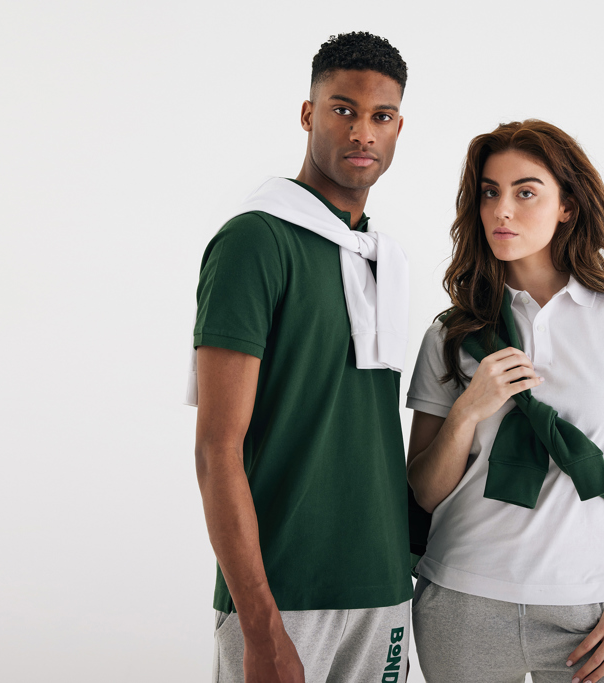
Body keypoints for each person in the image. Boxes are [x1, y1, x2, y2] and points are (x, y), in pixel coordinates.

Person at [406, 120, 604, 683]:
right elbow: (424, 489)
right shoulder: (452, 333)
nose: (502, 210)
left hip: (589, 612)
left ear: (567, 205)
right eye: (490, 192)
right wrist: (468, 411)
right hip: (462, 602)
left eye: (526, 192)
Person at [189, 32, 412, 683]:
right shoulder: (255, 241)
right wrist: (261, 628)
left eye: (381, 116)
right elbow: (216, 449)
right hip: (282, 594)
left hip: (382, 588)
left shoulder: (384, 258)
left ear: (399, 127)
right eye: (343, 110)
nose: (363, 132)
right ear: (309, 114)